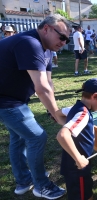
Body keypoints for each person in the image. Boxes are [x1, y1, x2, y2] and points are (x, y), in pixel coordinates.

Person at [0, 14, 71, 199]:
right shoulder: (30, 43)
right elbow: (41, 88)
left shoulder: (46, 49)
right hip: (6, 101)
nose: (64, 42)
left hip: (15, 99)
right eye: (61, 36)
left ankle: (24, 181)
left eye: (67, 39)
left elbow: (48, 82)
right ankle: (42, 185)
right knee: (37, 137)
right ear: (46, 28)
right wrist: (57, 114)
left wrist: (52, 109)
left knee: (18, 138)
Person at [56, 78, 97, 200]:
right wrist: (78, 158)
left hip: (75, 165)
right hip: (77, 168)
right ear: (95, 96)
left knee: (83, 193)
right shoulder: (83, 114)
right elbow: (62, 135)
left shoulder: (77, 106)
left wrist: (71, 127)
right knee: (83, 196)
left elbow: (58, 114)